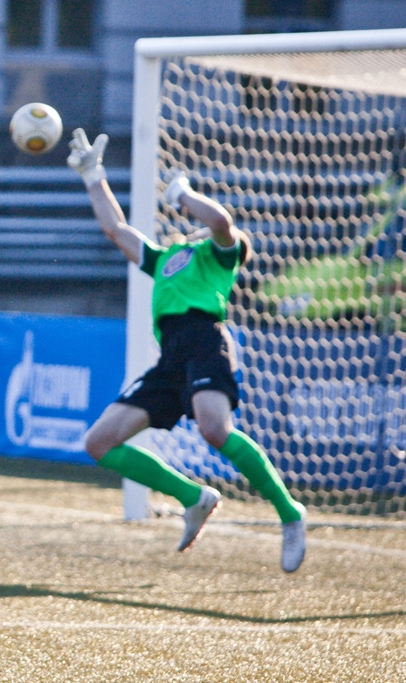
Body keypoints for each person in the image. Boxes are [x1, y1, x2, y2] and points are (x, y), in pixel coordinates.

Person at [67, 128, 307, 572]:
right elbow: (116, 230)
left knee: (214, 429)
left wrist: (183, 192)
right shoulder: (167, 258)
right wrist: (91, 175)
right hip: (170, 356)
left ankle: (290, 514)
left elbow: (220, 223)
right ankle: (193, 497)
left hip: (204, 341)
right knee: (98, 442)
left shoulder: (217, 256)